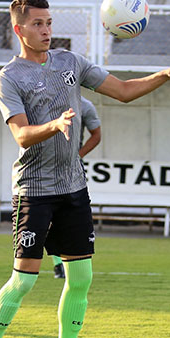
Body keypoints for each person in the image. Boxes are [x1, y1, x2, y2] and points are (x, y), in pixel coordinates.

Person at [0, 0, 170, 338]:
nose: (46, 30)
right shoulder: (9, 77)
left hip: (73, 189)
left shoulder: (70, 62)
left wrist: (165, 75)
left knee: (82, 279)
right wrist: (55, 123)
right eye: (38, 24)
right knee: (24, 280)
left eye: (49, 22)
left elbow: (124, 90)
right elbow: (22, 135)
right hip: (34, 190)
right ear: (19, 28)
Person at [51, 96, 101, 279]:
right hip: (44, 168)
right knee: (49, 218)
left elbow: (97, 135)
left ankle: (67, 264)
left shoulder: (85, 106)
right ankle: (58, 265)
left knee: (67, 217)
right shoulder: (45, 98)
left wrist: (78, 156)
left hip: (71, 171)